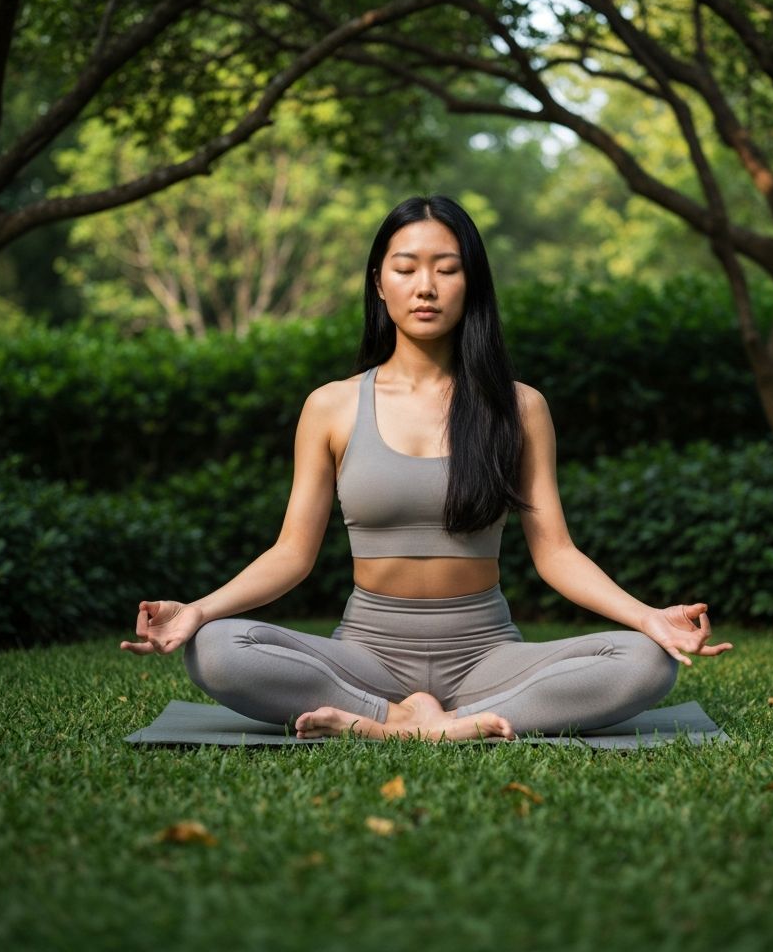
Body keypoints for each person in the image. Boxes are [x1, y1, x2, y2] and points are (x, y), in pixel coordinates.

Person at [121, 195, 732, 741]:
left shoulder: (519, 407)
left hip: (487, 657)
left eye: (447, 268)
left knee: (646, 662)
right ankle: (406, 720)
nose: (426, 287)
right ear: (379, 284)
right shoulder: (331, 406)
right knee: (218, 649)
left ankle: (385, 722)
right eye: (406, 268)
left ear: (471, 284)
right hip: (365, 657)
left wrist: (649, 617)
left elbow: (556, 554)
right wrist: (200, 609)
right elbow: (291, 554)